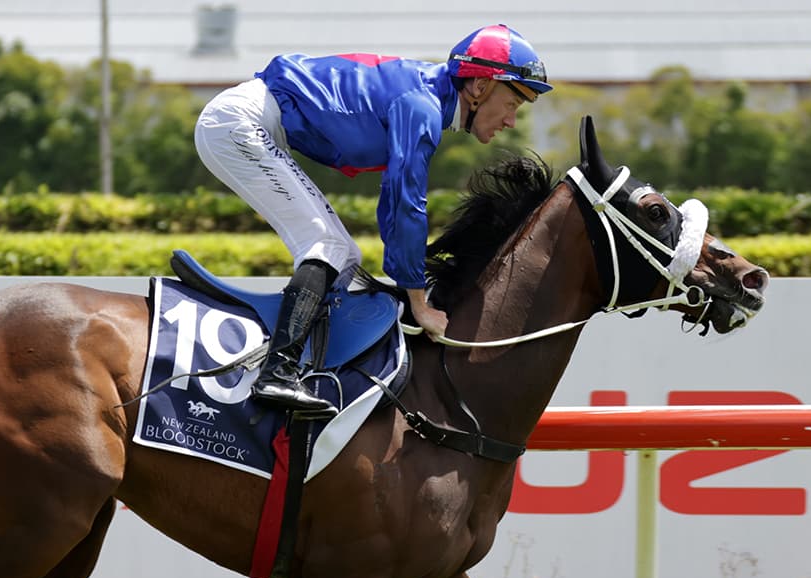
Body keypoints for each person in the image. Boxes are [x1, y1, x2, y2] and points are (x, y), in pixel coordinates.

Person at [194, 24, 552, 417]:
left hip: (250, 123)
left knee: (342, 252)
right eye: (514, 103)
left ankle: (303, 365)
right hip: (241, 124)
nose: (511, 121)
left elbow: (393, 201)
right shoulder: (422, 106)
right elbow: (405, 202)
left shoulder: (425, 98)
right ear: (481, 86)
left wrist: (406, 280)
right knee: (326, 247)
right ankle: (277, 373)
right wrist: (418, 302)